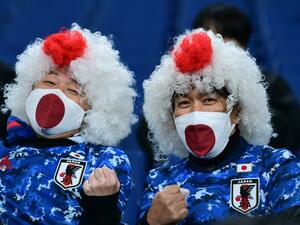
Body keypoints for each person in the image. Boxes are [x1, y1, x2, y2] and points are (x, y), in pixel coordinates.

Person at [137, 29, 300, 224]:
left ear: (236, 111)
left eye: (208, 100)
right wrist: (150, 222)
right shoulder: (160, 181)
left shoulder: (274, 165)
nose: (195, 114)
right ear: (171, 116)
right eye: (184, 103)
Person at [0, 24, 136, 225]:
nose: (55, 94)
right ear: (29, 89)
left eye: (73, 91)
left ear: (93, 110)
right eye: (49, 82)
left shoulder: (104, 160)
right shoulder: (6, 147)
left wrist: (102, 207)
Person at [192, 3, 300, 153]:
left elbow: (291, 135)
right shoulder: (186, 84)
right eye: (214, 37)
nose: (222, 45)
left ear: (243, 45)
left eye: (229, 39)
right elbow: (151, 136)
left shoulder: (270, 82)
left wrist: (249, 104)